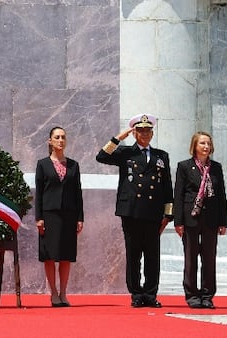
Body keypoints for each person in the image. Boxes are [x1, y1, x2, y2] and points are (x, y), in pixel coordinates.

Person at [95, 113, 173, 308]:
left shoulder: (161, 156)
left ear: (152, 133)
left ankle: (150, 293)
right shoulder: (125, 153)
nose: (144, 134)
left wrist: (169, 214)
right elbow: (101, 156)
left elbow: (166, 186)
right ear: (135, 133)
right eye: (140, 131)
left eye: (148, 131)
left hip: (153, 212)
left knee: (152, 255)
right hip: (131, 211)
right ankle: (136, 294)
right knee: (133, 254)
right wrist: (119, 138)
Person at [173, 132, 227, 309]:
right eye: (202, 143)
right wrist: (178, 221)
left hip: (211, 218)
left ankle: (207, 295)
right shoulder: (184, 166)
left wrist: (223, 221)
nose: (206, 146)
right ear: (194, 146)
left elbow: (221, 196)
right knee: (191, 258)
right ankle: (192, 295)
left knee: (209, 258)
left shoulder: (216, 167)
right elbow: (179, 195)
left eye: (208, 143)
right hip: (191, 217)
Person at [35, 126, 84, 307]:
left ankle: (63, 293)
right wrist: (38, 218)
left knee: (66, 256)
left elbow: (78, 193)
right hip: (49, 215)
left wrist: (80, 217)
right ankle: (53, 293)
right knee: (49, 256)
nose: (61, 140)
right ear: (50, 141)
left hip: (69, 215)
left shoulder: (74, 165)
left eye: (63, 137)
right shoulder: (42, 164)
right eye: (57, 137)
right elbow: (39, 193)